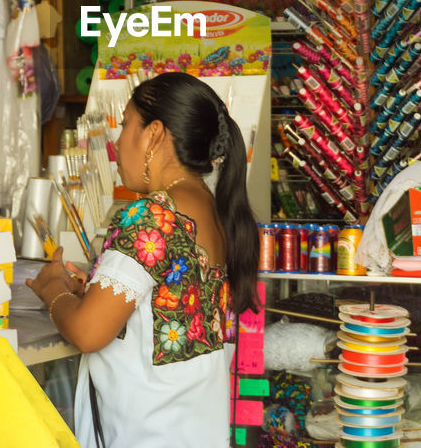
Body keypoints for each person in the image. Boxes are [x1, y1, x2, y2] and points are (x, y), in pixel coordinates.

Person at [29, 72, 260, 447]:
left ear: (153, 134)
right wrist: (91, 292)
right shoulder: (211, 210)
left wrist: (53, 289)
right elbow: (158, 304)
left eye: (125, 127)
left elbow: (89, 332)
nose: (118, 144)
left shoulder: (154, 215)